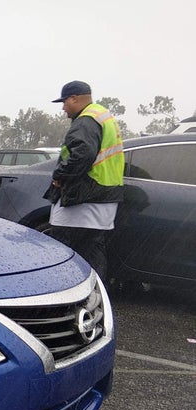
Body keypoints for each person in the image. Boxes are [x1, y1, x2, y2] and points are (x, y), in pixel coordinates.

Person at [44, 80, 124, 281]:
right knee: (92, 250)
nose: (63, 108)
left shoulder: (86, 120)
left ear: (74, 98)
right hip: (102, 194)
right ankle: (95, 291)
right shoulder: (102, 116)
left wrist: (59, 176)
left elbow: (82, 154)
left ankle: (61, 289)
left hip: (84, 197)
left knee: (64, 248)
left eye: (64, 102)